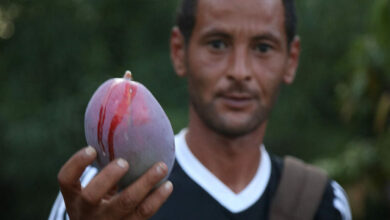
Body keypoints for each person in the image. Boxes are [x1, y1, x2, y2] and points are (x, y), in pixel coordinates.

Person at [49, 0, 352, 219]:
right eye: (217, 44)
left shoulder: (323, 203)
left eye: (262, 47)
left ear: (291, 60)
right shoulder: (97, 197)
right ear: (179, 52)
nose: (239, 71)